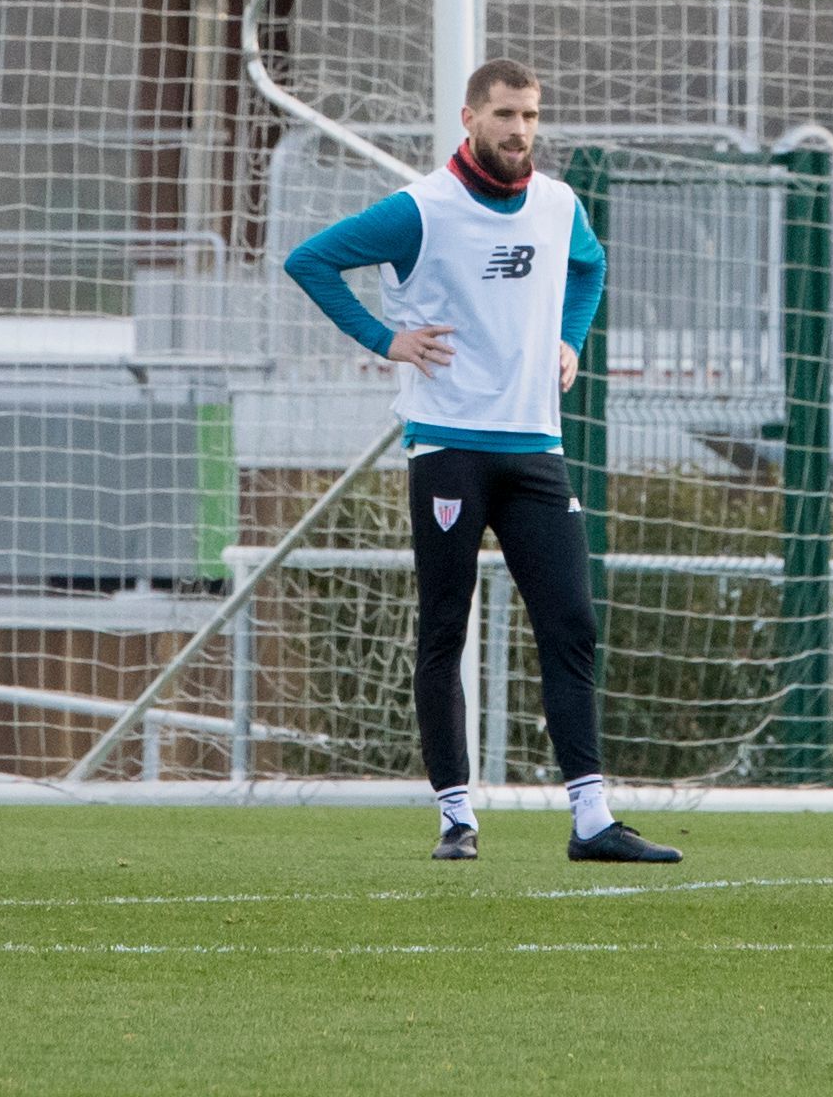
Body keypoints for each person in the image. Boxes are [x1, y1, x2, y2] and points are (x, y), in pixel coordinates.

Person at [282, 58, 674, 866]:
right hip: (449, 448)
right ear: (469, 119)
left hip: (536, 450)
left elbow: (591, 268)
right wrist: (385, 339)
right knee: (444, 627)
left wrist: (571, 338)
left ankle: (592, 820)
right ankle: (456, 816)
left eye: (530, 115)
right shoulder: (421, 210)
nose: (519, 131)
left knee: (571, 623)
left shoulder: (560, 203)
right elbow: (311, 261)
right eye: (503, 115)